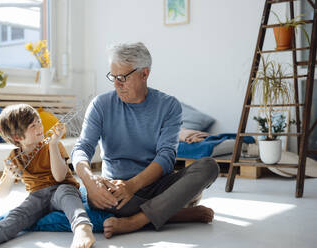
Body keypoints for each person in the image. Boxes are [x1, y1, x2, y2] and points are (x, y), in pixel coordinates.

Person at [72, 42, 220, 238]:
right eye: (113, 77)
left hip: (158, 185)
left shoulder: (169, 106)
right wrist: (90, 182)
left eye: (123, 77)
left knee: (209, 167)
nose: (117, 83)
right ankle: (176, 212)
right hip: (116, 190)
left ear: (144, 74)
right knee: (102, 202)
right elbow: (82, 147)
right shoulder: (100, 104)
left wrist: (132, 186)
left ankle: (137, 221)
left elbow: (166, 157)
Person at [0, 104, 95, 248]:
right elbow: (1, 194)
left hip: (61, 188)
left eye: (39, 122)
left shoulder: (53, 145)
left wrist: (53, 145)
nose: (40, 127)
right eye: (33, 126)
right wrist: (9, 177)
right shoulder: (15, 157)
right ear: (18, 137)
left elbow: (60, 177)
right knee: (19, 213)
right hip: (37, 196)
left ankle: (82, 228)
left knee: (66, 194)